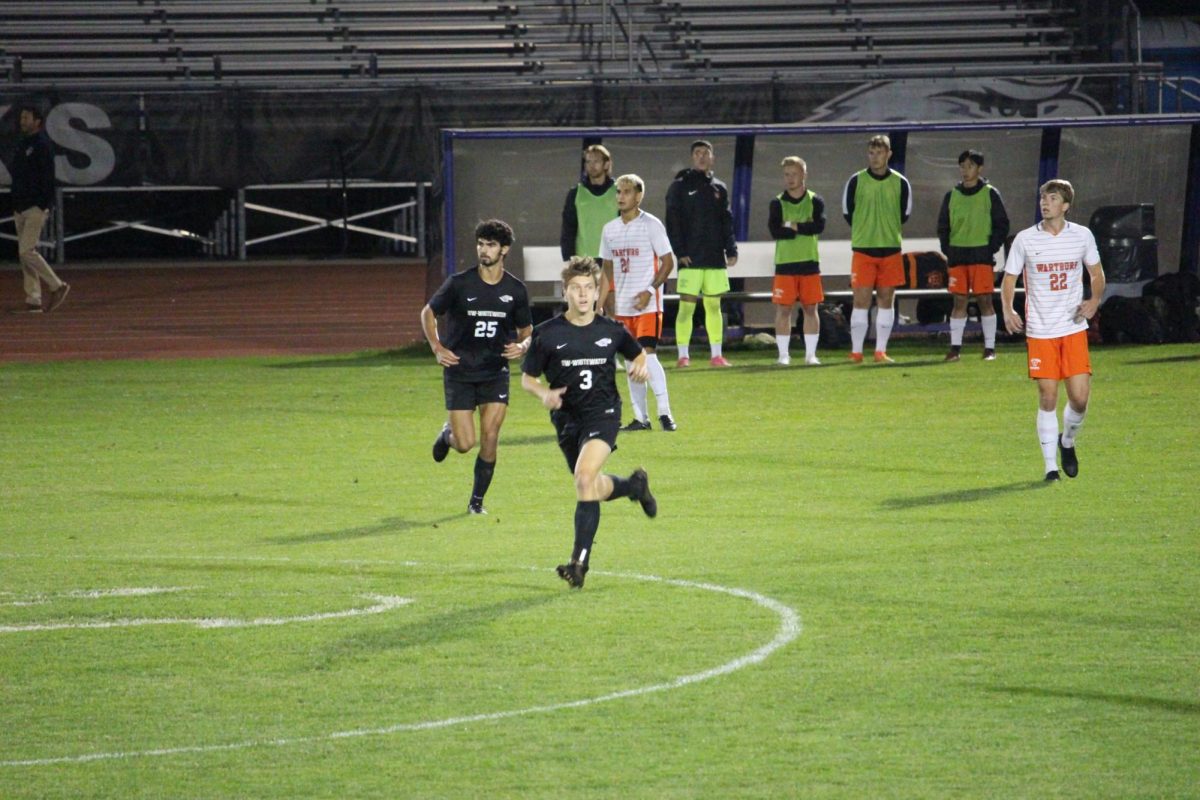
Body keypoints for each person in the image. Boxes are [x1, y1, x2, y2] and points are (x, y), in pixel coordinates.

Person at [521, 256, 658, 589]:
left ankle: (578, 564)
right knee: (591, 487)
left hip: (604, 414)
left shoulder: (611, 330)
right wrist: (544, 394)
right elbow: (527, 378)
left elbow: (637, 353)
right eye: (575, 289)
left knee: (583, 478)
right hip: (567, 421)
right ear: (565, 292)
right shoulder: (547, 333)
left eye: (588, 289)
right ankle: (633, 486)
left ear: (598, 292)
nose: (582, 295)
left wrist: (640, 365)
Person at [421, 219, 533, 514]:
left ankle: (476, 502)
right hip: (459, 371)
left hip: (495, 372)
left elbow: (527, 332)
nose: (484, 250)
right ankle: (448, 435)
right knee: (465, 444)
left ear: (504, 249)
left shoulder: (515, 290)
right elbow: (428, 312)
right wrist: (437, 347)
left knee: (491, 436)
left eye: (491, 245)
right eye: (481, 244)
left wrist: (521, 347)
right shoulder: (459, 283)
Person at [1001, 179, 1105, 482]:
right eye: (1043, 198)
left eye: (1053, 198)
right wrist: (1008, 309)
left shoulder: (1082, 236)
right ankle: (1050, 468)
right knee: (1048, 396)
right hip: (1040, 330)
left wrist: (1094, 299)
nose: (1045, 203)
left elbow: (1096, 273)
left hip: (1072, 328)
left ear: (1066, 205)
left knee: (1080, 399)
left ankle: (1067, 442)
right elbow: (1009, 280)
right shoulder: (1024, 240)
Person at [597, 174, 678, 432]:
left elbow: (668, 262)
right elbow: (606, 271)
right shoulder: (609, 229)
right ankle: (641, 418)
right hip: (621, 307)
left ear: (639, 196)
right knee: (632, 362)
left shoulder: (651, 225)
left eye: (627, 191)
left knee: (647, 355)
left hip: (648, 305)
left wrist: (649, 290)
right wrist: (603, 305)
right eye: (618, 192)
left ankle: (665, 413)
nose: (621, 196)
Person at [665, 139, 738, 368]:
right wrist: (680, 251)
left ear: (712, 158)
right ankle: (683, 356)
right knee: (686, 306)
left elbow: (726, 221)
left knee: (713, 306)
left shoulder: (720, 187)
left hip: (715, 258)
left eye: (705, 153)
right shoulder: (679, 186)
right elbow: (672, 221)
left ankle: (716, 355)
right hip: (691, 257)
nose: (701, 156)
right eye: (697, 153)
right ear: (692, 157)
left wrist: (731, 248)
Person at [841, 134, 912, 363]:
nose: (875, 157)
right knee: (860, 300)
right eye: (871, 153)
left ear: (889, 154)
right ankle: (857, 351)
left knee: (886, 300)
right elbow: (847, 211)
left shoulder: (900, 182)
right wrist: (866, 229)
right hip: (863, 249)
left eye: (879, 152)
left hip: (890, 249)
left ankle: (880, 351)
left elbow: (905, 213)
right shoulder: (856, 180)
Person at [937, 149, 1010, 362]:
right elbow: (943, 226)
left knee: (984, 300)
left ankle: (989, 348)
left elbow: (1002, 224)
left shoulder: (990, 193)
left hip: (981, 255)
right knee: (959, 301)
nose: (965, 171)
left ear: (980, 169)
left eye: (969, 166)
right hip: (958, 256)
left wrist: (990, 248)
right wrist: (948, 249)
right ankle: (955, 349)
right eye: (962, 166)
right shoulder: (951, 195)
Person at [9, 105, 69, 314]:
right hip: (20, 205)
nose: (22, 121)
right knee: (23, 254)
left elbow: (48, 178)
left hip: (34, 206)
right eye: (21, 117)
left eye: (26, 117)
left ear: (37, 121)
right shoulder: (22, 143)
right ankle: (33, 298)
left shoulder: (42, 145)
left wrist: (42, 204)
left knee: (27, 251)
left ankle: (57, 285)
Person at [767, 156, 827, 366]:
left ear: (804, 175)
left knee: (811, 308)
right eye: (786, 174)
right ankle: (783, 355)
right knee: (783, 310)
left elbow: (818, 227)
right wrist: (801, 227)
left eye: (794, 174)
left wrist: (792, 226)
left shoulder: (815, 200)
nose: (790, 179)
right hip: (785, 264)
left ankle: (811, 355)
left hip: (809, 262)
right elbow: (775, 230)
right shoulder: (777, 202)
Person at [560, 144, 617, 263]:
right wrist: (568, 259)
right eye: (588, 161)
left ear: (606, 164)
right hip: (584, 260)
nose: (592, 165)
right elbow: (568, 229)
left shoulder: (619, 192)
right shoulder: (575, 194)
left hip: (614, 259)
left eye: (596, 161)